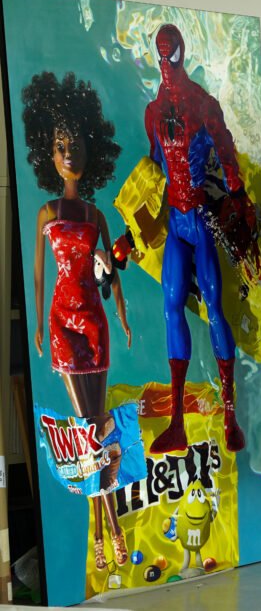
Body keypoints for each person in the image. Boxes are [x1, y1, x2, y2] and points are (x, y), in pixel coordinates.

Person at [24, 71, 132, 568]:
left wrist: (122, 316)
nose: (70, 154)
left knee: (95, 428)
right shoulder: (47, 213)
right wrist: (37, 325)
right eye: (61, 147)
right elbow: (39, 276)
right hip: (61, 325)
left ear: (93, 152)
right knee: (87, 429)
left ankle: (103, 531)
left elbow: (112, 277)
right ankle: (110, 528)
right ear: (48, 154)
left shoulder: (95, 216)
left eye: (78, 146)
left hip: (94, 322)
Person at [144, 23, 253, 454]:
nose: (165, 64)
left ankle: (230, 416)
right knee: (171, 307)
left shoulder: (204, 105)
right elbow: (154, 169)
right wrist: (137, 230)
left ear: (181, 54)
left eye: (171, 55)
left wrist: (238, 197)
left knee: (214, 307)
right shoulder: (154, 112)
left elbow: (227, 155)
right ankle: (177, 424)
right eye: (160, 56)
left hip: (201, 218)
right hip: (176, 221)